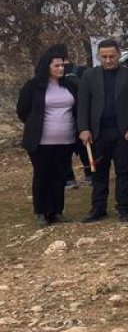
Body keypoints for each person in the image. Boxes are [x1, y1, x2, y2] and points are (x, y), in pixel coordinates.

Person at [77, 39, 128, 222]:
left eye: (111, 56)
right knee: (98, 171)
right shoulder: (89, 76)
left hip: (123, 132)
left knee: (123, 171)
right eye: (104, 57)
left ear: (119, 54)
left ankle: (123, 208)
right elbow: (82, 105)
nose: (108, 60)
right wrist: (83, 129)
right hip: (97, 133)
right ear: (99, 56)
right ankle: (98, 208)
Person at [18, 48, 79, 226]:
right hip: (41, 141)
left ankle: (57, 210)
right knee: (42, 175)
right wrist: (34, 124)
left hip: (66, 140)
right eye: (57, 65)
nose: (61, 69)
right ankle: (41, 211)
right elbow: (22, 110)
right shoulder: (33, 86)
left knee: (59, 176)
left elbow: (76, 109)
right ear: (47, 66)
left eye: (62, 65)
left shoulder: (69, 85)